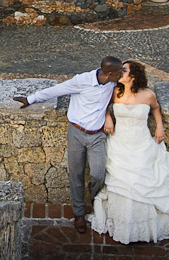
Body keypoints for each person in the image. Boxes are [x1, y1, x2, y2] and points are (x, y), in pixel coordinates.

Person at [87, 59, 169, 244]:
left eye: (123, 70)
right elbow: (103, 106)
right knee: (121, 181)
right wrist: (108, 118)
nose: (119, 72)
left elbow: (155, 109)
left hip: (141, 144)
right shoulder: (115, 92)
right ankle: (123, 224)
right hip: (119, 143)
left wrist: (160, 127)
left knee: (146, 179)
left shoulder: (148, 95)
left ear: (133, 75)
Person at [13, 56, 123, 234]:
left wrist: (108, 114)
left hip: (97, 136)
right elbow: (57, 90)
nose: (121, 75)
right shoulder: (82, 81)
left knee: (98, 174)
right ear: (110, 73)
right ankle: (79, 213)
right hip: (77, 133)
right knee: (76, 174)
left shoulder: (112, 82)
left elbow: (124, 82)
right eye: (119, 73)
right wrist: (30, 99)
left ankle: (96, 202)